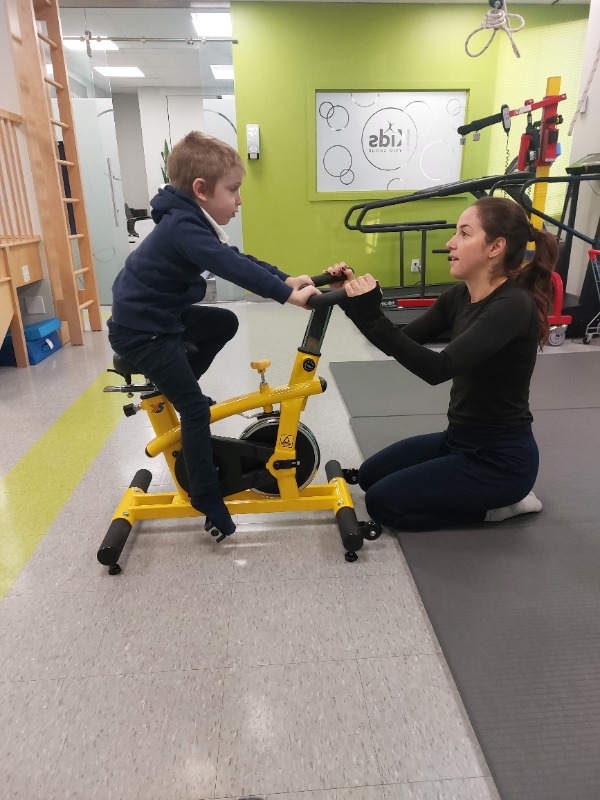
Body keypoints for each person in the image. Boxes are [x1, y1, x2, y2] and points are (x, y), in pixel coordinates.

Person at [108, 131, 322, 538]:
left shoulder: (190, 220)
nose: (239, 200)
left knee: (224, 322)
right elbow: (228, 266)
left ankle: (178, 384)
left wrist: (283, 278)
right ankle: (206, 497)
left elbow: (235, 257)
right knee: (195, 410)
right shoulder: (182, 227)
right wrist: (286, 296)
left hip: (161, 317)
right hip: (142, 331)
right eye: (234, 190)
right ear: (201, 190)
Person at [329, 196, 558, 531]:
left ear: (495, 247)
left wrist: (371, 313)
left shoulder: (513, 305)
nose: (451, 243)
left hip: (499, 461)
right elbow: (401, 341)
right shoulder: (459, 296)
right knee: (369, 476)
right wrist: (351, 300)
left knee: (382, 504)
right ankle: (477, 491)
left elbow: (438, 369)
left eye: (464, 234)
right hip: (458, 440)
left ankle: (501, 507)